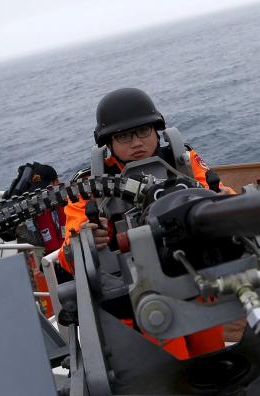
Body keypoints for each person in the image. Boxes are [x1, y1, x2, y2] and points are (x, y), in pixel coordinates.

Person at [58, 87, 231, 358]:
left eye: (143, 132)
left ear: (156, 131)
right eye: (124, 136)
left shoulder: (181, 161)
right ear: (108, 143)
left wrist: (223, 202)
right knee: (173, 364)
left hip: (193, 278)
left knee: (214, 357)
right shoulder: (88, 185)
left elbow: (221, 193)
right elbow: (71, 252)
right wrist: (89, 238)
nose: (136, 142)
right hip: (136, 296)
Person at [4, 163, 67, 254]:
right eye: (38, 190)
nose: (41, 193)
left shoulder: (72, 202)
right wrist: (20, 229)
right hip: (54, 258)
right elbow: (41, 240)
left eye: (44, 189)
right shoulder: (39, 211)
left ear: (56, 182)